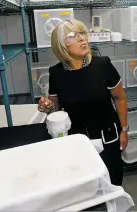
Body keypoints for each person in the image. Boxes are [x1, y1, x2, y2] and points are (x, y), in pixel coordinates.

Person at [37, 19, 128, 186]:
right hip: (76, 140)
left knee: (111, 180)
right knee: (84, 183)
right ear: (61, 45)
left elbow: (120, 98)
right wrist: (48, 106)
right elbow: (56, 106)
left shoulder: (103, 65)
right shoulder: (56, 73)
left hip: (107, 137)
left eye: (82, 33)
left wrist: (124, 129)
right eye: (72, 35)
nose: (82, 39)